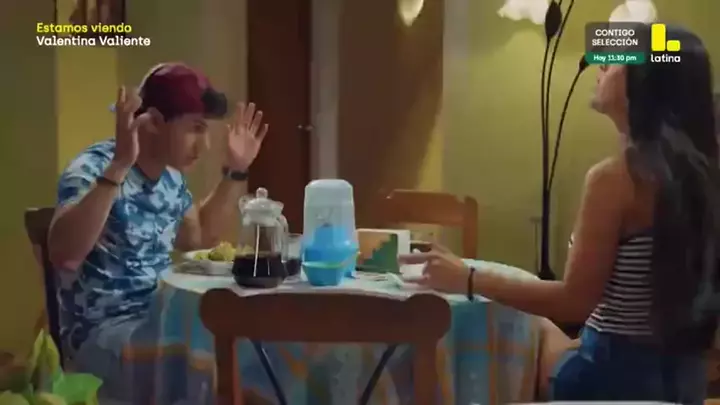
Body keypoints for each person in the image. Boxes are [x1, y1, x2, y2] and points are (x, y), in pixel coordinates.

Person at [401, 25, 718, 403]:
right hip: (687, 380)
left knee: (518, 342)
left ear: (646, 82)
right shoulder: (705, 176)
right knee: (537, 330)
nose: (602, 63)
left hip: (612, 378)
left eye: (617, 59)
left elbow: (573, 303)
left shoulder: (616, 178)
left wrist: (466, 277)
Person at [47, 62, 268, 402]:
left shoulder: (171, 178)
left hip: (160, 319)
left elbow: (198, 240)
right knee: (212, 357)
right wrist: (120, 166)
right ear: (153, 122)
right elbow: (64, 255)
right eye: (195, 129)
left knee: (250, 347)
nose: (204, 145)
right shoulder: (93, 168)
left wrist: (235, 172)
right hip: (102, 335)